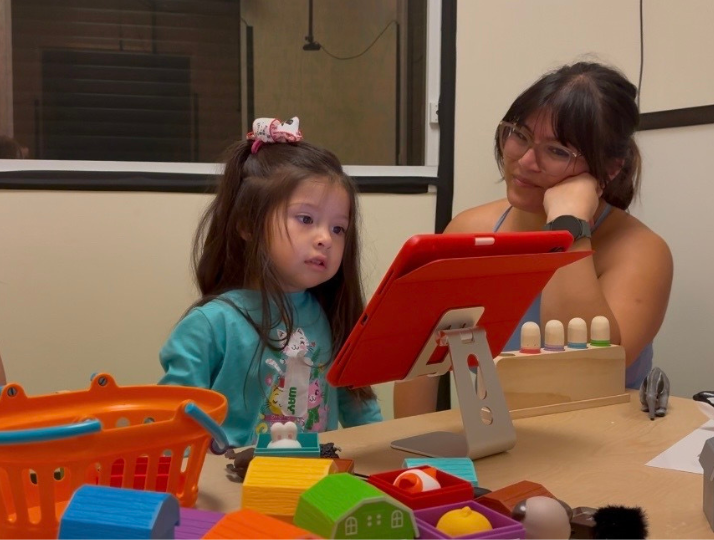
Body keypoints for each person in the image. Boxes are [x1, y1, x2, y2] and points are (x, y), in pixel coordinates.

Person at [394, 61, 673, 418]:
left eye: (557, 151)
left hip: (606, 446)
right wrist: (410, 458)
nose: (525, 161)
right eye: (520, 135)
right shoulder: (469, 231)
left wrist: (567, 226)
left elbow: (580, 372)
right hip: (497, 440)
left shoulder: (642, 252)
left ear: (611, 168)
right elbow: (418, 366)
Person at [159, 117, 382, 446]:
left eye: (338, 228)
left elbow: (362, 411)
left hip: (314, 481)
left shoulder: (331, 315)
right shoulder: (209, 325)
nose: (325, 239)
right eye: (305, 219)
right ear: (248, 224)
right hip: (236, 488)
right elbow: (172, 429)